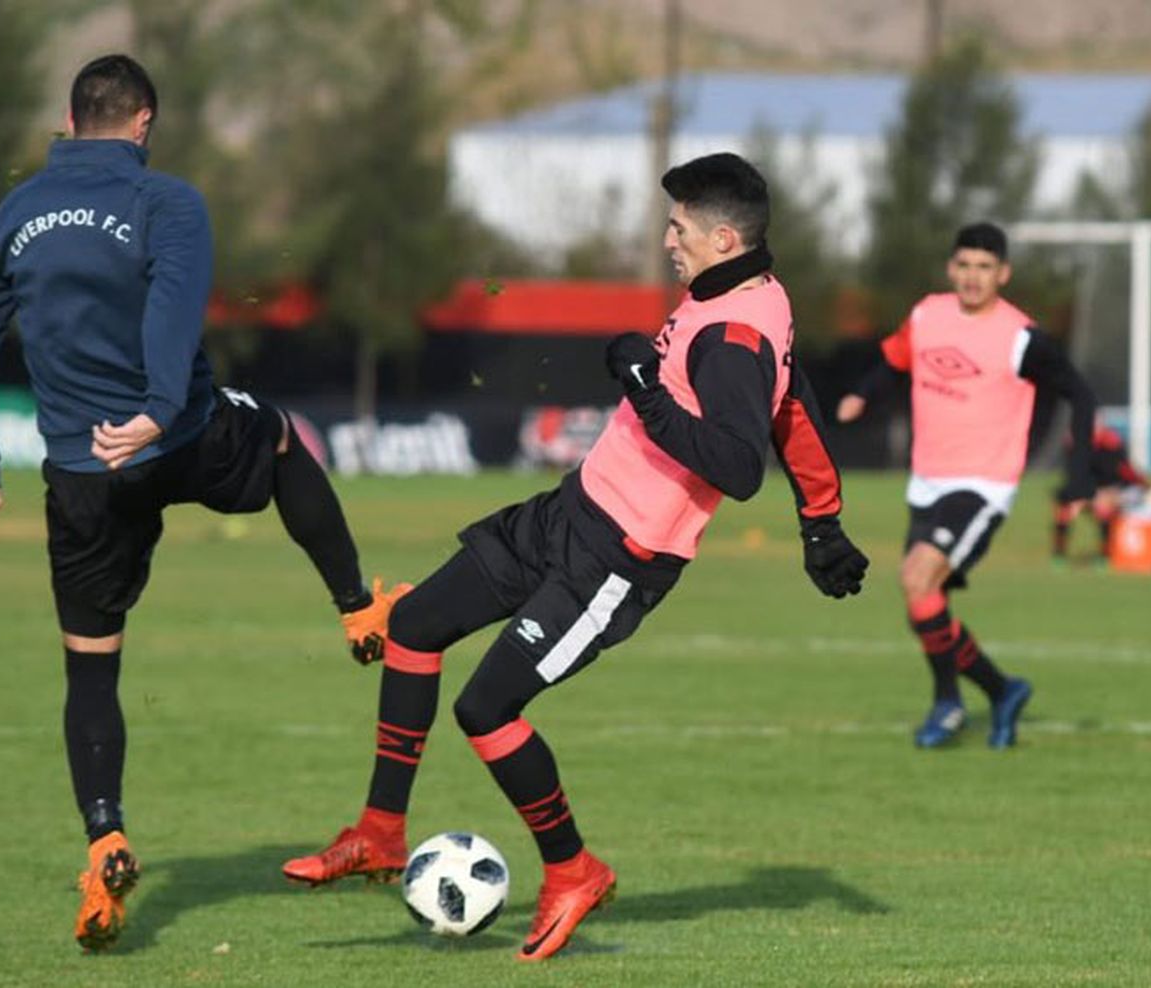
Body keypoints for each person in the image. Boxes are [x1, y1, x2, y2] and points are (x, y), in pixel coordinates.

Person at [281, 152, 870, 961]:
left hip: (620, 557)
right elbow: (792, 403)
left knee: (486, 710)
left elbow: (736, 466)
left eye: (680, 228)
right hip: (572, 509)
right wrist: (823, 522)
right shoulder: (747, 295)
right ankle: (381, 834)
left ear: (725, 238)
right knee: (415, 626)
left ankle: (574, 869)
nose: (668, 240)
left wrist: (643, 388)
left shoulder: (735, 331)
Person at [0, 54, 407, 952]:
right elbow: (174, 307)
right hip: (176, 435)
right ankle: (357, 608)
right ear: (144, 121)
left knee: (91, 667)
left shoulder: (19, 210)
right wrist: (156, 413)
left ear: (71, 120)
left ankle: (106, 836)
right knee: (276, 437)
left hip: (81, 472)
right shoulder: (166, 202)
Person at [835, 222, 1097, 750]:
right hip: (927, 481)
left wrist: (1083, 472)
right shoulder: (927, 314)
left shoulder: (1021, 337)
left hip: (982, 484)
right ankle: (998, 692)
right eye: (965, 265)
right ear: (952, 268)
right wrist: (862, 395)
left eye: (985, 267)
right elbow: (892, 362)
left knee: (917, 577)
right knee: (923, 600)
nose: (973, 277)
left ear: (1003, 274)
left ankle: (950, 703)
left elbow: (1080, 393)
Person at [1050, 419, 1148, 566]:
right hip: (1093, 492)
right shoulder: (1074, 448)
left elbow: (1122, 477)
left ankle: (1105, 554)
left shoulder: (1110, 446)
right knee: (1064, 510)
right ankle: (1059, 553)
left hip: (1121, 490)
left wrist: (1098, 495)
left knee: (1103, 508)